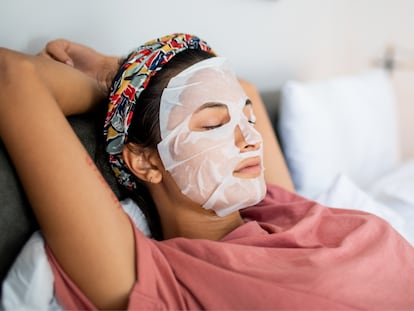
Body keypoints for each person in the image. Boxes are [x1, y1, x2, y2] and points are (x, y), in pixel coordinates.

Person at [0, 33, 413, 310]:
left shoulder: (274, 207)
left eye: (248, 122)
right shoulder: (158, 279)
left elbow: (244, 90)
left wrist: (124, 73)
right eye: (213, 125)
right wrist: (121, 90)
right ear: (145, 160)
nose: (250, 140)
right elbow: (11, 78)